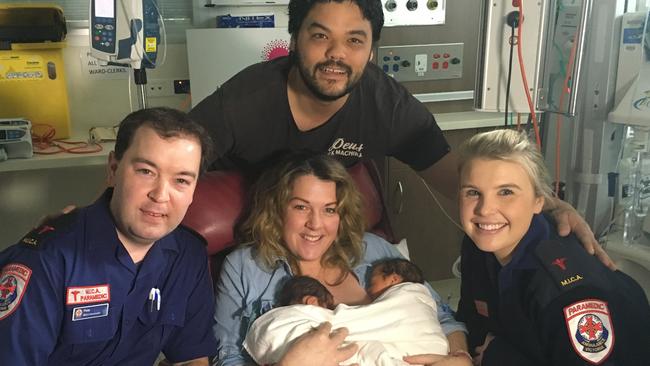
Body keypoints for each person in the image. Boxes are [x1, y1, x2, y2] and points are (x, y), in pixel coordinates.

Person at [188, 0, 609, 267]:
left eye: (354, 40)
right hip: (243, 219)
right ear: (295, 39)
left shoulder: (386, 105)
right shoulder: (245, 101)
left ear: (371, 51)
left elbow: (453, 173)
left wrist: (546, 206)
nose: (337, 53)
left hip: (325, 230)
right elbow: (172, 166)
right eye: (320, 36)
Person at [0, 107, 217, 365]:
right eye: (146, 171)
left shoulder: (187, 256)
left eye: (181, 181)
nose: (160, 196)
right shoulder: (47, 260)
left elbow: (191, 357)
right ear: (113, 169)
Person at [214, 153, 470, 366]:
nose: (315, 224)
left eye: (329, 210)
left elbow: (442, 316)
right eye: (301, 207)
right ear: (277, 210)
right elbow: (228, 358)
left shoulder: (374, 249)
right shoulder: (245, 267)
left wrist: (461, 357)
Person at [451, 129, 650, 365]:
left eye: (506, 192)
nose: (485, 210)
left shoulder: (567, 293)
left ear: (539, 201)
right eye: (473, 192)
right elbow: (472, 321)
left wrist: (498, 356)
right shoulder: (479, 244)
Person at [244, 273, 448, 366]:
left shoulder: (374, 247)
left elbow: (446, 319)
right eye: (330, 307)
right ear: (313, 303)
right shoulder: (289, 321)